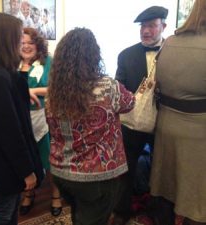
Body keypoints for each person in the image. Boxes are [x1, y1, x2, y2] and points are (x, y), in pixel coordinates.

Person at [45, 27, 135, 225]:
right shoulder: (108, 87)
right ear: (94, 55)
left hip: (61, 172)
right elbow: (130, 103)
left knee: (80, 213)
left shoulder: (53, 92)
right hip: (96, 176)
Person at [0, 13, 44, 225]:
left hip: (4, 159)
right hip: (6, 161)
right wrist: (27, 171)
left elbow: (13, 98)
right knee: (4, 212)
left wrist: (24, 82)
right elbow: (9, 132)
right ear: (6, 40)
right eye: (18, 38)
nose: (21, 43)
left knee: (9, 209)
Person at [150, 0, 206, 224]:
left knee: (168, 190)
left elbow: (158, 83)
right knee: (197, 200)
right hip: (199, 135)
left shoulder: (170, 42)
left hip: (166, 127)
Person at [112, 6, 168, 225]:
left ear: (163, 26)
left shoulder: (173, 54)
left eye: (151, 25)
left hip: (164, 122)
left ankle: (157, 211)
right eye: (143, 26)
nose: (146, 31)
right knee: (126, 168)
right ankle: (122, 211)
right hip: (132, 124)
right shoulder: (125, 55)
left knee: (160, 170)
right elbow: (119, 88)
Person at [18, 27, 62, 217]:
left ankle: (56, 194)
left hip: (46, 118)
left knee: (50, 160)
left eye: (30, 42)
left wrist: (33, 91)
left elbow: (56, 88)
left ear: (38, 45)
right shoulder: (12, 63)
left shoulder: (48, 62)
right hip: (20, 119)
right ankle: (28, 192)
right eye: (22, 43)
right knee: (25, 158)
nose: (26, 46)